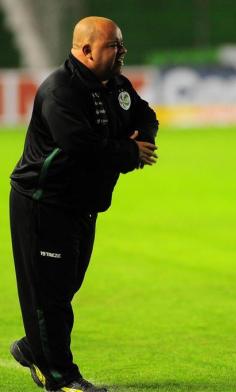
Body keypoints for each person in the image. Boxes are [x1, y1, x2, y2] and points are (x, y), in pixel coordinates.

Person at [9, 16, 159, 392]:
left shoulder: (116, 86)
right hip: (44, 204)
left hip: (81, 206)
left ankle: (33, 345)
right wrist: (130, 151)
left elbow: (146, 115)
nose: (122, 51)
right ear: (86, 50)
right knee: (52, 296)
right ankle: (61, 378)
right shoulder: (60, 91)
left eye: (121, 44)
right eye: (114, 45)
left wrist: (141, 140)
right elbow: (80, 146)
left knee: (65, 287)